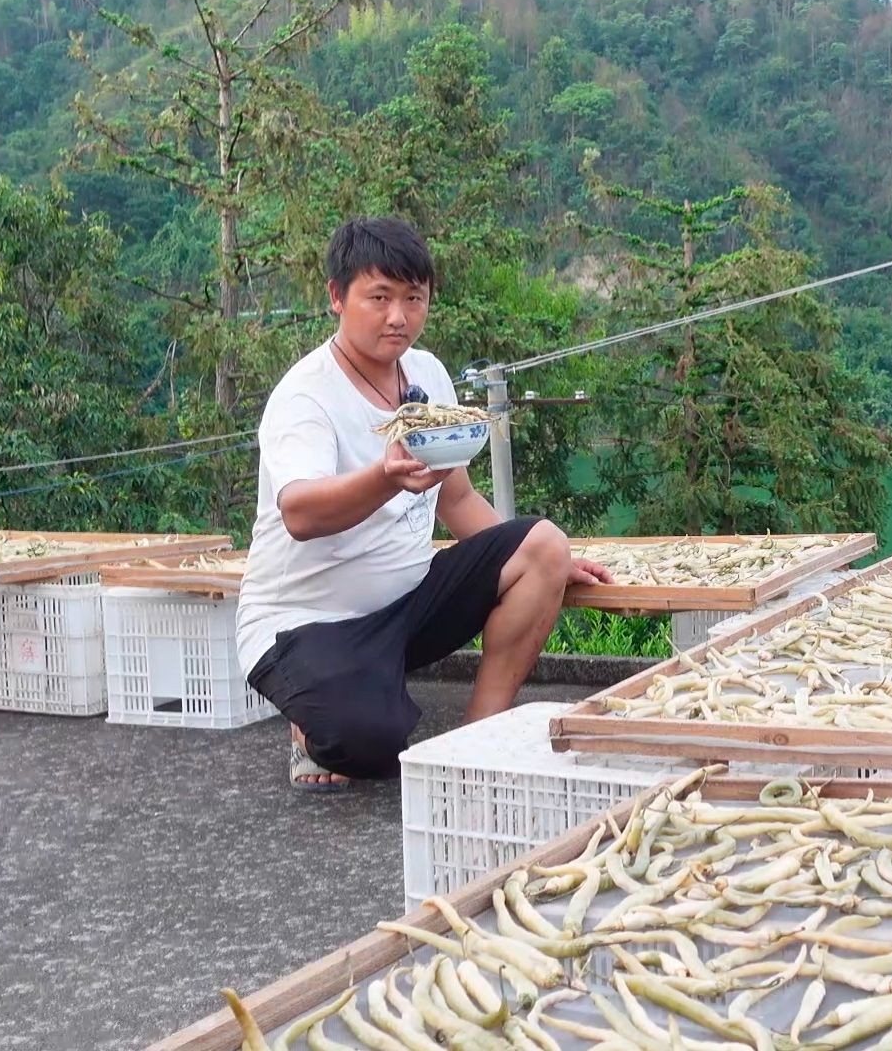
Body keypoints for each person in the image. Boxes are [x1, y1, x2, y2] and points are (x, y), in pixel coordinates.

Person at [236, 216, 612, 792]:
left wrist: (545, 563)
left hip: (408, 603)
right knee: (370, 743)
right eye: (379, 297)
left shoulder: (428, 374)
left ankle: (478, 741)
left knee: (544, 544)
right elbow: (301, 514)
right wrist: (385, 478)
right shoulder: (305, 396)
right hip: (306, 626)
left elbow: (456, 497)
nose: (398, 317)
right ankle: (314, 723)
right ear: (337, 297)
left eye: (414, 298)